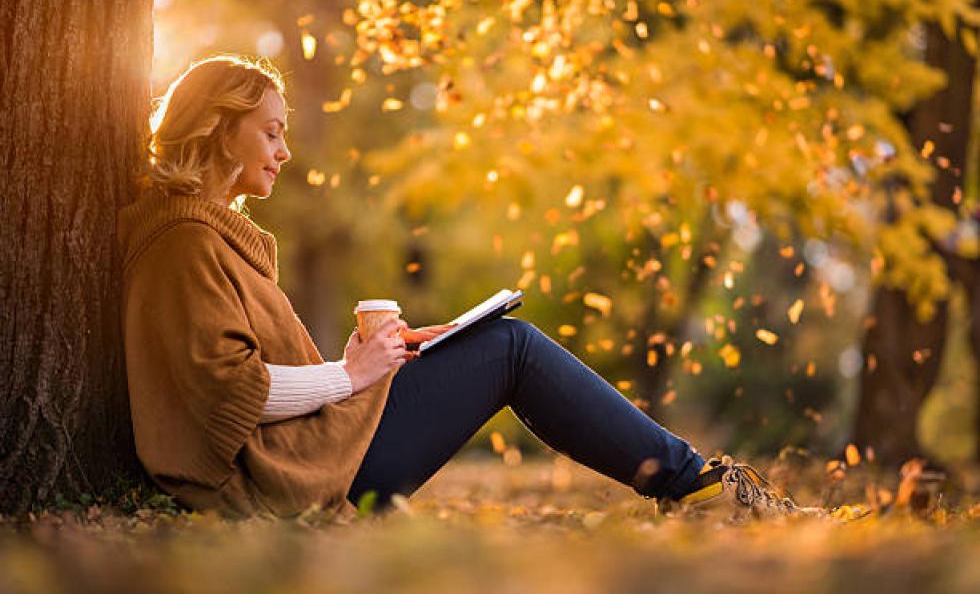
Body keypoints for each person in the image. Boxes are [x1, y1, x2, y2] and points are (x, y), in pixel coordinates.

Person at [119, 55, 801, 520]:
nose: (284, 152)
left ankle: (694, 482)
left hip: (312, 452)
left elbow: (253, 374)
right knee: (513, 350)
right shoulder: (184, 242)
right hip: (291, 479)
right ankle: (696, 486)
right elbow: (232, 392)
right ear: (216, 125)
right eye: (270, 132)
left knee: (493, 343)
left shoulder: (204, 237)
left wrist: (380, 358)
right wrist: (354, 374)